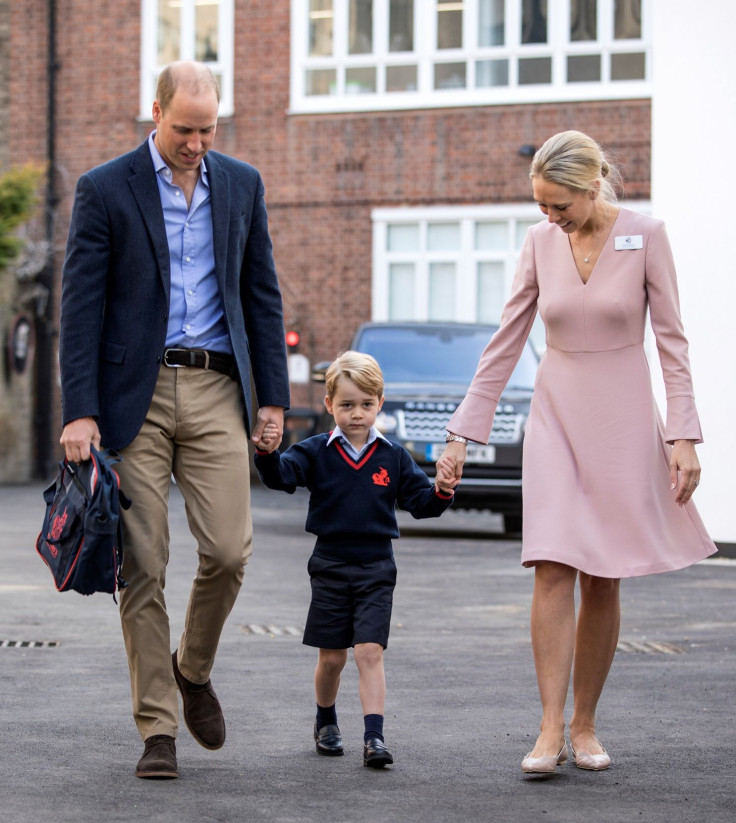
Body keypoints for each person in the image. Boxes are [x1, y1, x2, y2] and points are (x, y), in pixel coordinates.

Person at [437, 130, 716, 775]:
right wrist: (462, 434)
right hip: (556, 416)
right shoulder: (540, 243)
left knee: (602, 572)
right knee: (551, 563)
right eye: (541, 204)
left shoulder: (646, 234)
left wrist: (683, 436)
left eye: (559, 204)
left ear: (593, 186)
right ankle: (547, 727)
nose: (549, 217)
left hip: (620, 417)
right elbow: (506, 342)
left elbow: (673, 344)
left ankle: (585, 725)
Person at [58, 61, 290, 779]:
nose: (196, 142)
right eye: (184, 129)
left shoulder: (242, 184)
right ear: (154, 112)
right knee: (144, 562)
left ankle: (192, 667)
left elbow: (262, 293)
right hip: (137, 394)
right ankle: (158, 726)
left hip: (220, 386)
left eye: (208, 129)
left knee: (228, 549)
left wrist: (274, 399)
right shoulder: (104, 188)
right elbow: (81, 307)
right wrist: (80, 411)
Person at [254, 351, 455, 768]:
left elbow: (421, 503)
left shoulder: (393, 456)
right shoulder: (315, 452)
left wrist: (443, 489)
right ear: (329, 405)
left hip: (377, 567)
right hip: (329, 565)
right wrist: (268, 453)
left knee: (369, 651)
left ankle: (374, 737)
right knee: (333, 657)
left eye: (366, 404)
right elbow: (281, 477)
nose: (357, 414)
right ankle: (325, 720)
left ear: (379, 402)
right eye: (346, 405)